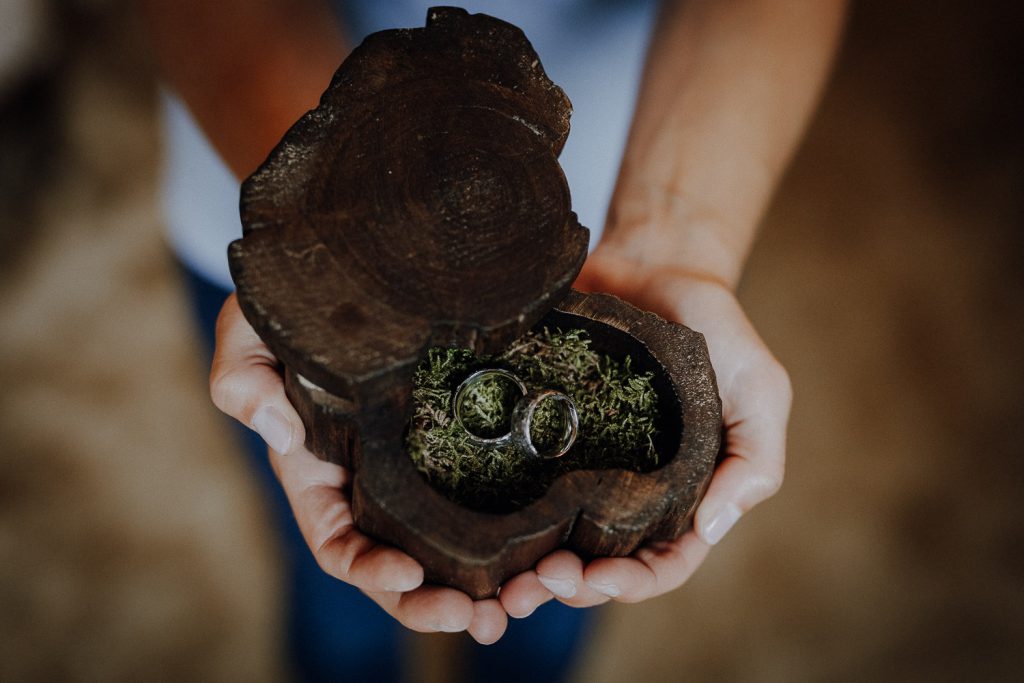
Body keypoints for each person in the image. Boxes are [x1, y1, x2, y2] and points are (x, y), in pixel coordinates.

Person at [143, 0, 846, 680]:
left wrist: (680, 237)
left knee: (558, 603)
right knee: (336, 593)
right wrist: (327, 246)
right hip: (286, 222)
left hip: (642, 155)